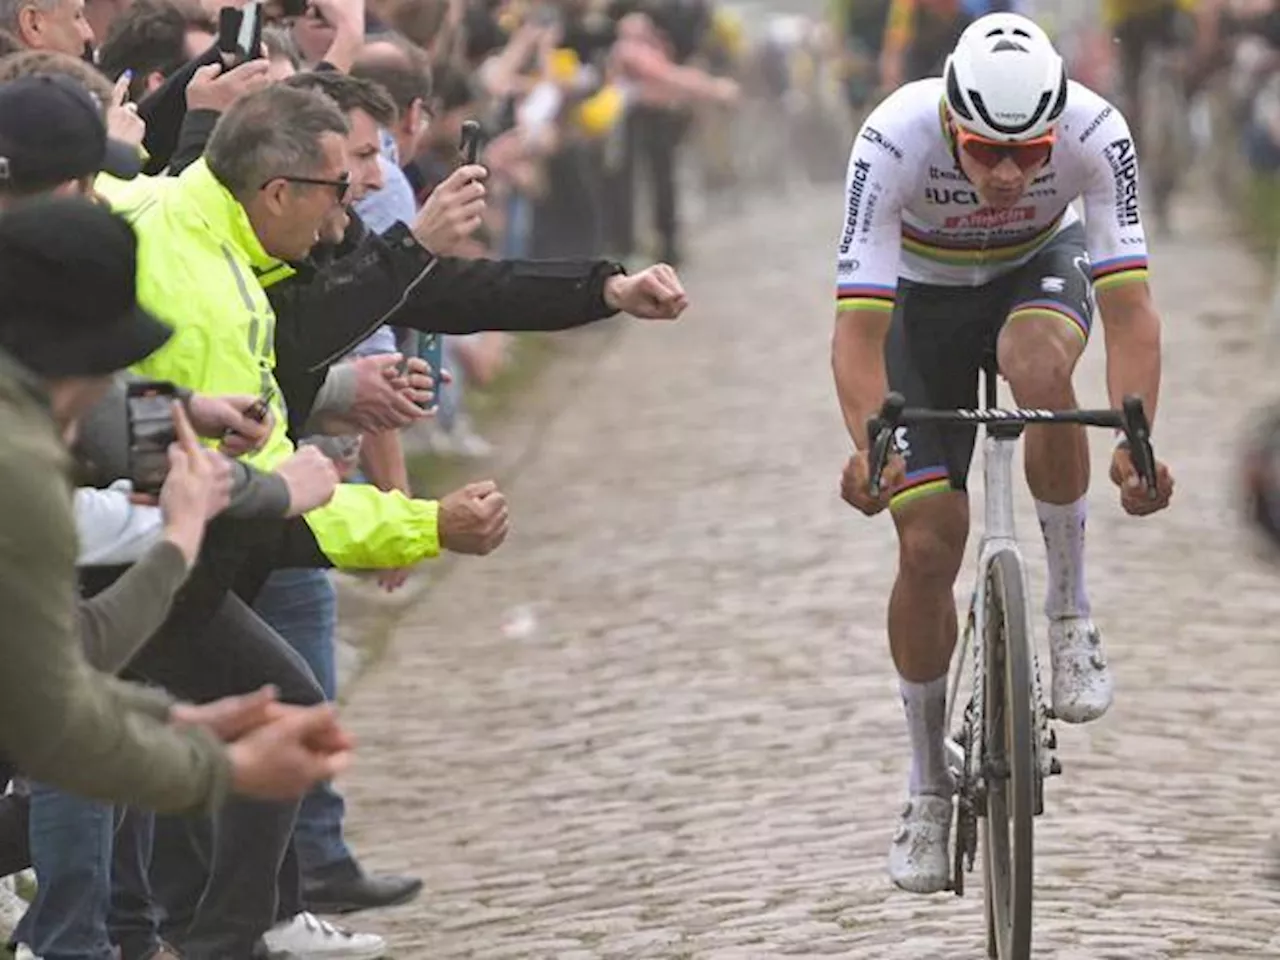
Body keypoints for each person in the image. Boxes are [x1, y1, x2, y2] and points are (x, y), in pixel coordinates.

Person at [831, 12, 1175, 895]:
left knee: (1038, 365)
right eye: (987, 152)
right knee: (927, 543)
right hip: (920, 301)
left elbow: (1132, 311)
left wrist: (1137, 438)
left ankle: (1068, 611)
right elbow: (859, 334)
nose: (1010, 172)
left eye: (1031, 154)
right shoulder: (892, 139)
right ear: (951, 123)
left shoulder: (1099, 133)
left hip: (1034, 274)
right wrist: (870, 446)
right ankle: (927, 785)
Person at [0, 193, 354, 815]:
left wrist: (178, 718)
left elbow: (44, 663)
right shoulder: (20, 466)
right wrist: (223, 767)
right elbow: (51, 713)